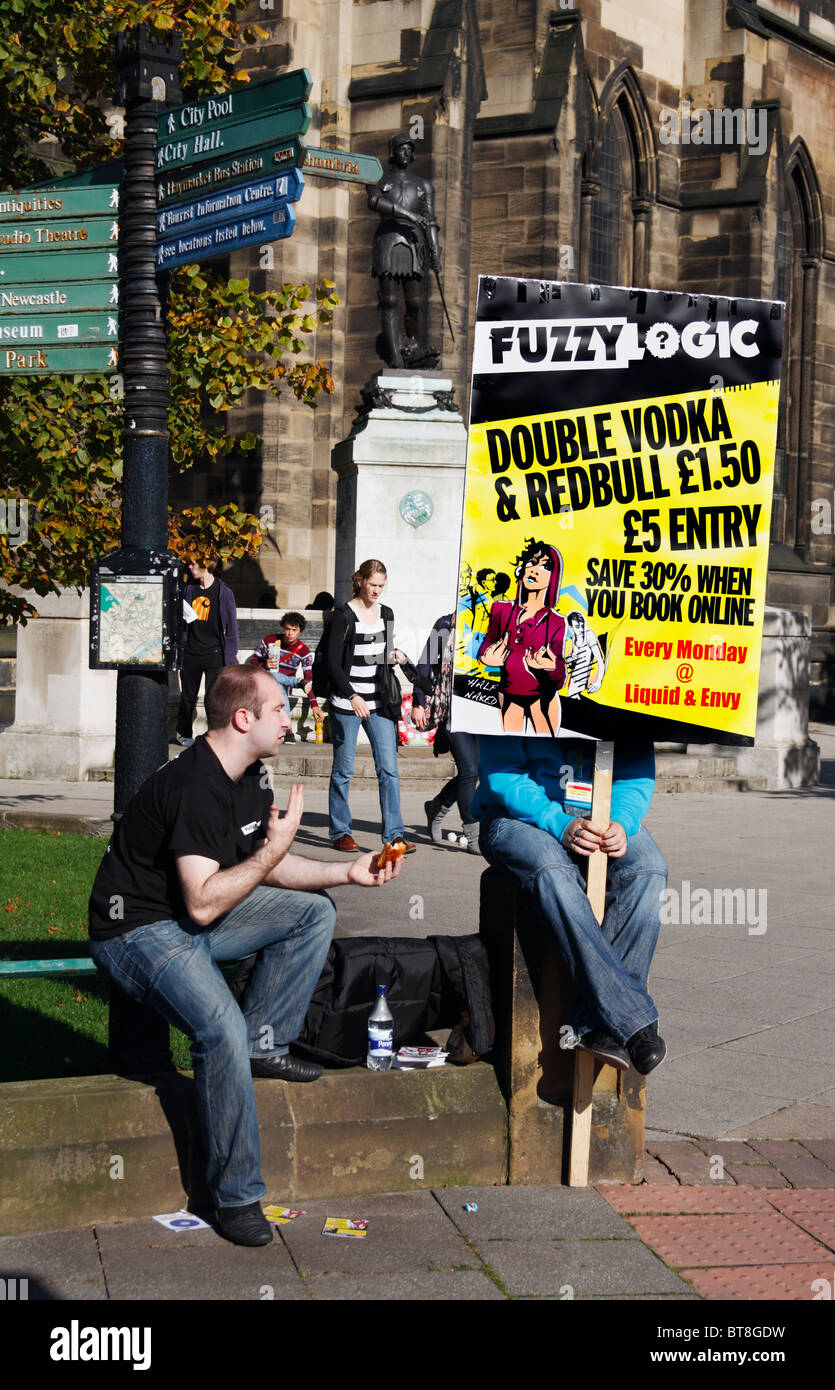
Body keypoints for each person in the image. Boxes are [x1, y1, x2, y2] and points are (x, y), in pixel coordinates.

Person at [88, 665, 403, 1247]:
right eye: (280, 710)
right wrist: (273, 851)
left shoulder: (250, 775)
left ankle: (268, 1043)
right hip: (138, 932)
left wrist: (346, 874)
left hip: (188, 918)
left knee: (314, 912)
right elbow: (206, 904)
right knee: (218, 1030)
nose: (291, 718)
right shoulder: (195, 787)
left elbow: (266, 864)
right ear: (243, 718)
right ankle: (234, 1197)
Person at [473, 734, 668, 1075]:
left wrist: (621, 821)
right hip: (518, 816)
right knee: (553, 872)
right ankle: (631, 1021)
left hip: (602, 811)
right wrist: (557, 822)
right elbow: (504, 773)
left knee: (648, 869)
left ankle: (597, 1026)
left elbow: (635, 770)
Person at [325, 558, 414, 856]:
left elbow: (380, 654)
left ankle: (394, 836)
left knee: (389, 769)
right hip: (348, 701)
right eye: (372, 584)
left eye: (381, 586)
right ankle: (340, 832)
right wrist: (352, 695)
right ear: (361, 581)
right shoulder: (343, 615)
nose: (377, 591)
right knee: (344, 770)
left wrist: (395, 655)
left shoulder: (386, 613)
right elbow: (333, 664)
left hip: (379, 702)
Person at [479, 538, 567, 736]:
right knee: (508, 752)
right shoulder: (501, 609)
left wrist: (550, 667)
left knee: (545, 755)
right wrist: (486, 656)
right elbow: (487, 643)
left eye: (544, 566)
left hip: (543, 699)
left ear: (554, 577)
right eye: (531, 562)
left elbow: (560, 674)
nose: (534, 569)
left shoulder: (556, 621)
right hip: (509, 694)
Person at [367, 132, 441, 368]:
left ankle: (413, 348)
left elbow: (429, 220)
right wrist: (408, 214)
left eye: (410, 148)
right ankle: (396, 357)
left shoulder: (423, 185)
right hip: (388, 239)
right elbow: (375, 202)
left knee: (415, 303)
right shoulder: (378, 180)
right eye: (401, 148)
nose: (406, 152)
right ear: (392, 152)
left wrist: (435, 251)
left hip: (414, 243)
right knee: (389, 300)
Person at [412, 612, 481, 854]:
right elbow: (425, 663)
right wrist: (418, 702)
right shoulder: (445, 623)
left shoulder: (494, 620)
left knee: (473, 771)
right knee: (470, 770)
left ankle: (436, 807)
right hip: (452, 708)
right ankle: (473, 835)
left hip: (483, 709)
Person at [176, 553, 238, 747]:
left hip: (215, 655)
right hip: (191, 653)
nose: (190, 567)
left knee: (215, 699)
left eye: (194, 564)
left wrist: (230, 658)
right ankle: (183, 732)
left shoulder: (224, 592)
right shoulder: (188, 589)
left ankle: (216, 735)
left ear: (206, 565)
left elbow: (231, 628)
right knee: (187, 696)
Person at [247, 612, 324, 742]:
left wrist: (314, 705)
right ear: (283, 628)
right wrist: (264, 663)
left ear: (300, 631)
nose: (290, 633)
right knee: (274, 679)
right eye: (287, 629)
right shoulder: (269, 640)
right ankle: (288, 731)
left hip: (282, 687)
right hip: (263, 681)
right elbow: (253, 663)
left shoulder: (303, 651)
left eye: (294, 630)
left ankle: (286, 730)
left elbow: (308, 681)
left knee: (279, 686)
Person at [565, 611, 607, 697]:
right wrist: (564, 661)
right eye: (577, 627)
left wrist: (598, 682)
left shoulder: (589, 634)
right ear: (571, 628)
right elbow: (575, 656)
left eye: (582, 625)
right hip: (573, 682)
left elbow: (600, 661)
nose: (581, 629)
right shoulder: (574, 638)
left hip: (583, 683)